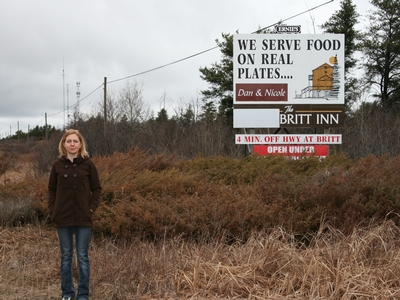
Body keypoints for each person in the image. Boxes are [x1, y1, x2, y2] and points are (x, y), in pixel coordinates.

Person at [48, 129, 102, 300]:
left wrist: (91, 209)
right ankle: (67, 294)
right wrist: (53, 210)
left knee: (83, 256)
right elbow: (51, 190)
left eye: (75, 141)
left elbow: (97, 189)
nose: (72, 144)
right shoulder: (57, 165)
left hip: (83, 218)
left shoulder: (88, 164)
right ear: (63, 144)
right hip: (62, 217)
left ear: (80, 144)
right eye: (69, 141)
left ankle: (83, 294)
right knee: (65, 257)